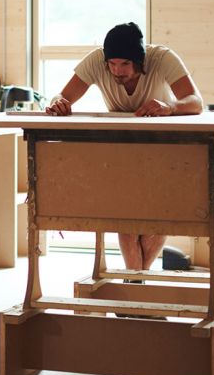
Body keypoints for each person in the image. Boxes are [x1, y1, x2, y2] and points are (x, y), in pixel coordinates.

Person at [45, 21, 203, 274]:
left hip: (163, 146)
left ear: (140, 61)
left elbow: (196, 102)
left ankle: (135, 284)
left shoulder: (163, 58)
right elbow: (61, 97)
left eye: (125, 64)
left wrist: (169, 107)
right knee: (126, 214)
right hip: (122, 147)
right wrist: (58, 104)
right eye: (113, 64)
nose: (118, 71)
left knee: (160, 215)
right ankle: (138, 284)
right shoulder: (96, 60)